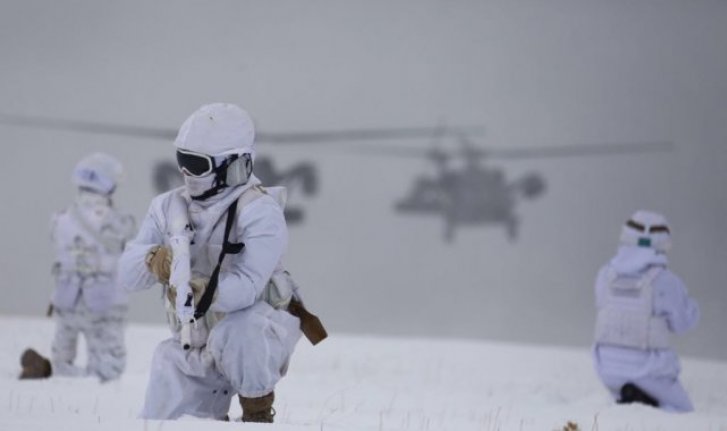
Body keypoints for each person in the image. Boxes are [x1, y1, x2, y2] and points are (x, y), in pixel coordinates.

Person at [118, 103, 325, 422]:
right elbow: (126, 276)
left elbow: (247, 287)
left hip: (258, 333)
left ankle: (257, 411)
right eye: (182, 160)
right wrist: (153, 261)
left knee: (240, 330)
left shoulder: (259, 212)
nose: (186, 173)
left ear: (232, 164)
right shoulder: (168, 207)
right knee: (160, 413)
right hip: (193, 338)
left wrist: (203, 291)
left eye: (197, 164)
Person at [19, 153, 136, 382]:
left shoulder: (62, 217)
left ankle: (52, 372)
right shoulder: (115, 220)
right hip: (103, 301)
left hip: (66, 297)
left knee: (63, 357)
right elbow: (130, 238)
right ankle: (83, 381)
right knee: (109, 368)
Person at [593, 210, 699, 412]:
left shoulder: (604, 274)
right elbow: (683, 324)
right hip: (648, 366)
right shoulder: (665, 281)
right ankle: (646, 400)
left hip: (606, 366)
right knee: (682, 411)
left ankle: (634, 399)